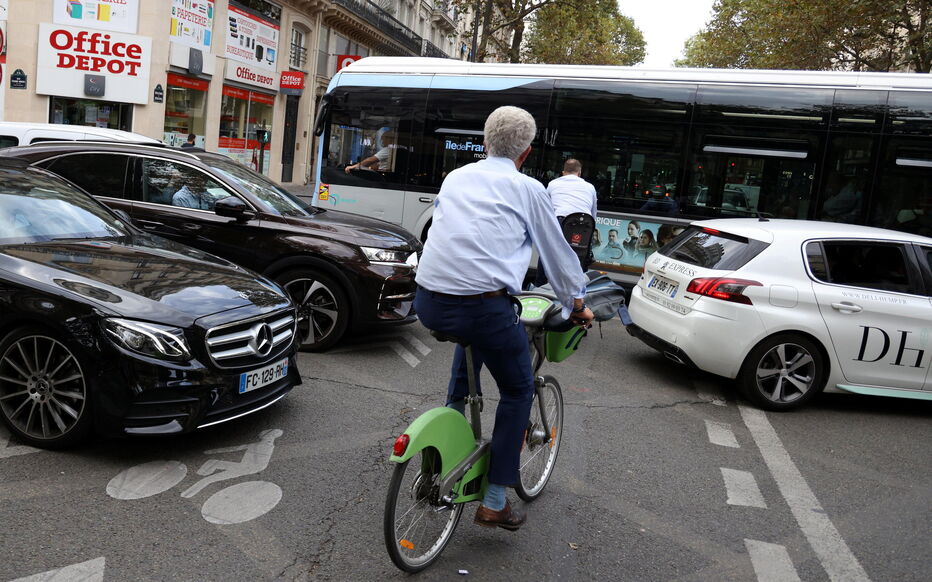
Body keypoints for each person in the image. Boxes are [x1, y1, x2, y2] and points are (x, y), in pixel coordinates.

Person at [414, 106, 594, 531]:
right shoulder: (528, 189)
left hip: (429, 300)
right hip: (483, 307)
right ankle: (494, 501)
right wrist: (577, 305)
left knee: (470, 342)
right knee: (518, 389)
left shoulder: (456, 177)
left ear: (484, 141)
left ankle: (445, 443)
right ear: (525, 152)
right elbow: (558, 255)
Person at [533, 158, 598, 286]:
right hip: (584, 226)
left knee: (547, 253)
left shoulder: (553, 184)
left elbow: (545, 209)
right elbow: (593, 214)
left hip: (560, 222)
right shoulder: (590, 187)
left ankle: (539, 284)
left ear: (563, 172)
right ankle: (579, 287)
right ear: (579, 173)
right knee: (581, 256)